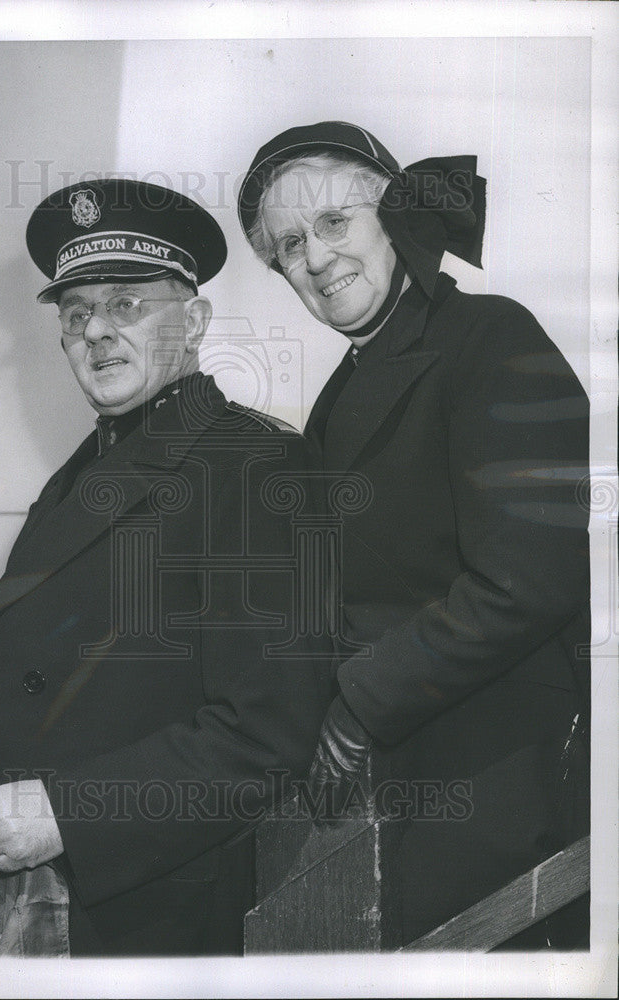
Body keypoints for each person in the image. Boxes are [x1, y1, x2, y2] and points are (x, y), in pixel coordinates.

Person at [0, 178, 332, 956]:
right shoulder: (80, 471)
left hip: (131, 916)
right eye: (76, 312)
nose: (96, 331)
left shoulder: (257, 464)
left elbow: (264, 736)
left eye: (126, 305)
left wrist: (72, 813)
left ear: (194, 323)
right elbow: (17, 665)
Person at [237, 121, 591, 946]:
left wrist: (363, 701)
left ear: (393, 215)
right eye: (289, 247)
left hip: (503, 776)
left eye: (333, 224)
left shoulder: (490, 337)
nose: (316, 259)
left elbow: (529, 581)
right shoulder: (335, 398)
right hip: (390, 782)